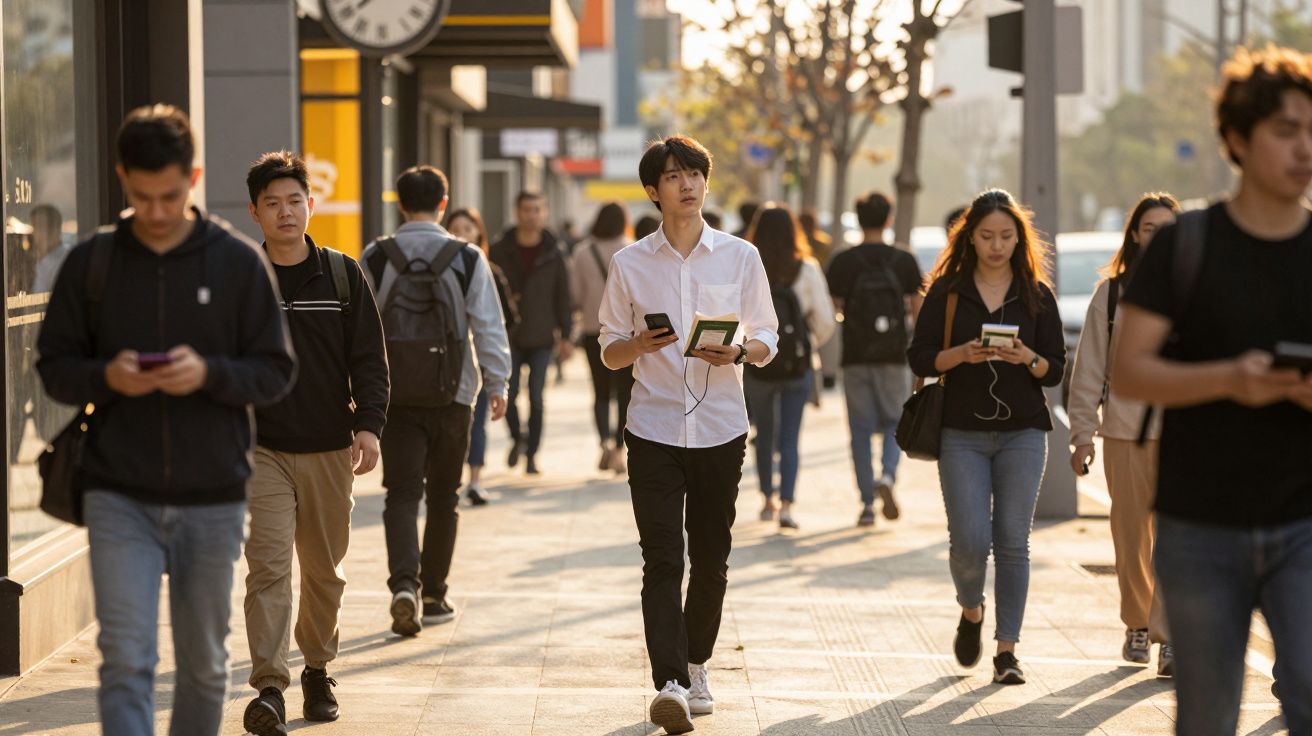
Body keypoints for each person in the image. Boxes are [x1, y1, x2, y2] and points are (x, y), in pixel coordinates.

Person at [36, 104, 296, 736]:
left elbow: (275, 370)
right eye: (143, 196)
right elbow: (53, 368)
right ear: (123, 178)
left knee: (206, 666)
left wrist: (208, 374)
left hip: (212, 496)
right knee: (125, 660)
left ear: (195, 177)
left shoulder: (235, 262)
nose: (156, 211)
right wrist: (107, 377)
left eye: (171, 196)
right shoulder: (90, 263)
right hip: (116, 492)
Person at [1111, 46, 1312, 735]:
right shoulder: (1185, 246)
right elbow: (1130, 370)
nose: (1304, 148)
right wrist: (1230, 379)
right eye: (1286, 131)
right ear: (1236, 139)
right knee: (1207, 716)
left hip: (1304, 521)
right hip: (1201, 526)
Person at [599, 136, 778, 735]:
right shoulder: (629, 264)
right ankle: (670, 681)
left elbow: (769, 336)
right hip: (651, 428)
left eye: (695, 173)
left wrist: (741, 352)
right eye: (673, 177)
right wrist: (638, 345)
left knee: (712, 558)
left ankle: (698, 663)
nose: (687, 184)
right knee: (661, 558)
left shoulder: (740, 256)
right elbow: (608, 351)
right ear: (653, 192)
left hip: (722, 429)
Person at [238, 151, 390, 735]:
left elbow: (370, 362)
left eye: (294, 200)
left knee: (324, 571)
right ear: (255, 212)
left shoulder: (343, 274)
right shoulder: (243, 280)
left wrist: (369, 425)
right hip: (261, 449)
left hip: (330, 446)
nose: (285, 212)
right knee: (268, 569)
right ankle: (270, 687)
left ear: (310, 204)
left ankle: (318, 668)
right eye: (272, 203)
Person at [907, 188, 1066, 686]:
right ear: (970, 238)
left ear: (1019, 239)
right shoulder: (949, 292)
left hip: (1023, 432)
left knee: (1013, 542)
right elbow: (919, 357)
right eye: (987, 236)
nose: (997, 245)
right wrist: (960, 355)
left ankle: (1007, 651)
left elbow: (1055, 369)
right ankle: (971, 608)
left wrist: (1027, 358)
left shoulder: (1036, 295)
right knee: (971, 542)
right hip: (962, 433)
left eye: (1006, 235)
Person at [363, 166, 512, 636]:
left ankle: (403, 584)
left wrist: (358, 390)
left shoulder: (377, 256)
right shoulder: (466, 257)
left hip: (396, 395)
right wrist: (498, 382)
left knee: (402, 492)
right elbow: (487, 324)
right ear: (443, 204)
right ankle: (434, 594)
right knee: (444, 497)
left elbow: (361, 330)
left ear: (400, 204)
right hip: (454, 395)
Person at [1067, 193, 1180, 678]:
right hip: (1125, 430)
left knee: (1179, 536)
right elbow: (1089, 367)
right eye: (1150, 228)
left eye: (1168, 228)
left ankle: (1170, 634)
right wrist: (1082, 434)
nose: (1158, 237)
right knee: (1131, 533)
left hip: (1186, 434)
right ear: (1135, 234)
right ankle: (1138, 621)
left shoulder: (1198, 290)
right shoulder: (1112, 295)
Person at [826, 192, 923, 527]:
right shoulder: (904, 260)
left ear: (857, 216)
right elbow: (917, 310)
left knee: (860, 429)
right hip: (894, 355)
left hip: (855, 356)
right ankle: (888, 476)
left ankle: (867, 504)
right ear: (888, 219)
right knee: (896, 423)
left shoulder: (843, 262)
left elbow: (832, 309)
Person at [742, 204, 835, 530]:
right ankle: (786, 506)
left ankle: (766, 499)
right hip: (797, 366)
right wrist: (807, 343)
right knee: (791, 438)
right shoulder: (807, 269)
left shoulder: (748, 268)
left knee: (763, 434)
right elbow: (825, 322)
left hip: (756, 363)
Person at [489, 191, 573, 475]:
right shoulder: (499, 248)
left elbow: (563, 295)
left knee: (536, 396)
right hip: (508, 335)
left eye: (537, 209)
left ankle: (532, 454)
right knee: (509, 394)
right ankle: (517, 438)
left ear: (544, 213)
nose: (531, 215)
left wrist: (566, 336)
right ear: (517, 211)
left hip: (541, 336)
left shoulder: (554, 251)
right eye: (526, 209)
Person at [447, 206, 516, 506]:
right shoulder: (439, 267)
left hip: (479, 362)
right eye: (456, 228)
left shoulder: (489, 269)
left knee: (477, 425)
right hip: (448, 364)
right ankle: (452, 479)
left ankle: (474, 480)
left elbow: (503, 320)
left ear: (479, 232)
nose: (462, 234)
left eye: (468, 228)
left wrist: (496, 369)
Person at [570, 201, 636, 473]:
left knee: (599, 391)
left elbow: (575, 295)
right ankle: (620, 449)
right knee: (624, 392)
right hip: (627, 333)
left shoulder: (582, 252)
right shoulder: (632, 248)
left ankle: (604, 443)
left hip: (592, 329)